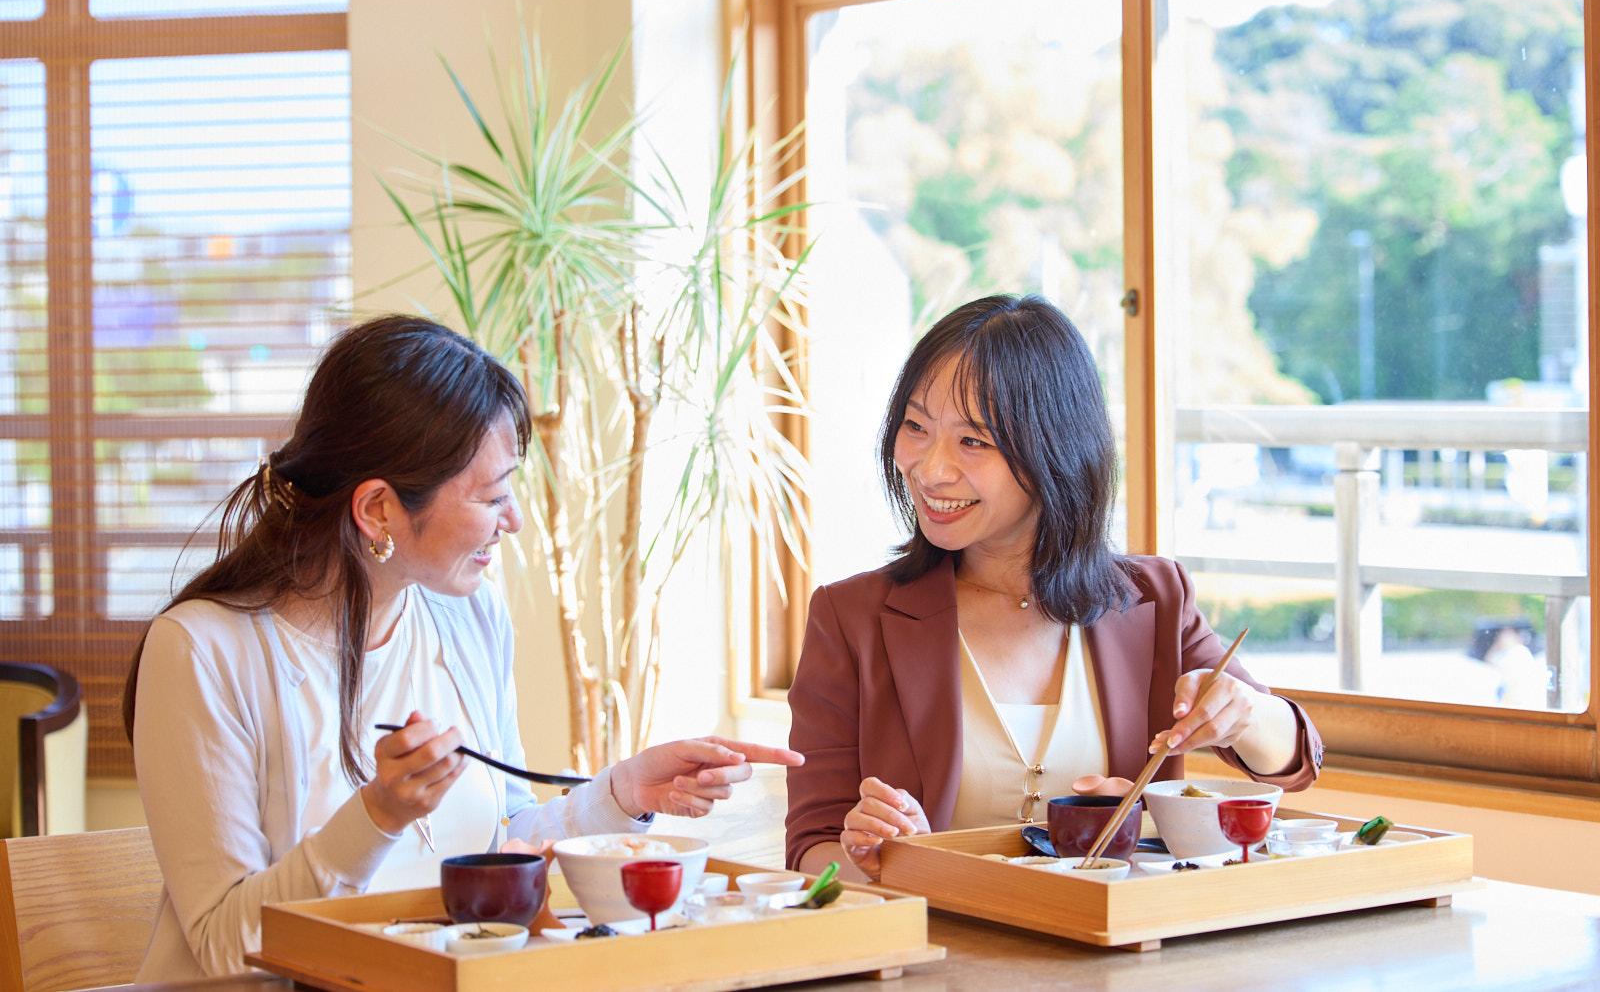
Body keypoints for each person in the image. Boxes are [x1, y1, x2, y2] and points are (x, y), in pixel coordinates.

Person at [124, 315, 802, 980]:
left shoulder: (468, 613)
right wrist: (377, 816)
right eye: (493, 495)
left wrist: (623, 791)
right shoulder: (201, 651)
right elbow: (221, 944)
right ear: (379, 510)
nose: (514, 520)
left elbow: (502, 836)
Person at [785, 295, 1321, 879]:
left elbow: (1293, 761)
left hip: (1117, 946)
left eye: (974, 441)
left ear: (1055, 449)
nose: (931, 468)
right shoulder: (851, 618)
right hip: (942, 951)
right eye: (916, 426)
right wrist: (884, 860)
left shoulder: (1151, 598)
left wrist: (1244, 715)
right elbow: (813, 844)